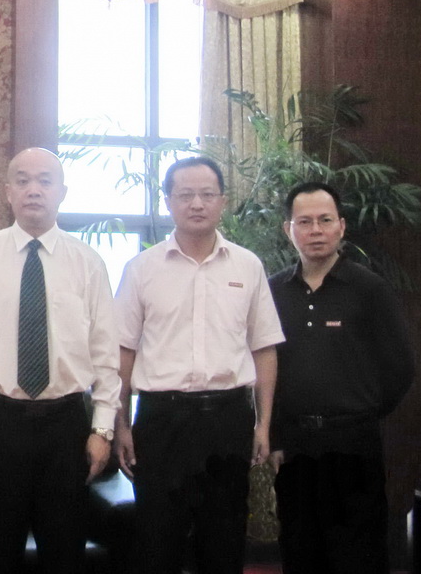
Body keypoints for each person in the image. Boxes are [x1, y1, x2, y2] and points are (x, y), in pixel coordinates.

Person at [0, 147, 120, 574]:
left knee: (64, 551)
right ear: (8, 192)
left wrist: (102, 428)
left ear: (62, 192)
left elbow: (106, 356)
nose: (33, 190)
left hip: (66, 425)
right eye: (22, 181)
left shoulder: (88, 263)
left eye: (44, 181)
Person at [112, 156, 285, 574]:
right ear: (168, 201)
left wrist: (263, 425)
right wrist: (120, 425)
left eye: (207, 194)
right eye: (185, 194)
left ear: (222, 201)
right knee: (157, 542)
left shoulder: (247, 265)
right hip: (161, 421)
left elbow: (264, 348)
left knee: (223, 542)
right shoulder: (142, 269)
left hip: (228, 419)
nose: (197, 203)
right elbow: (122, 353)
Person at [267, 182, 413, 574]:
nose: (315, 230)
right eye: (305, 222)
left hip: (354, 443)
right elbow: (264, 369)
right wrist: (276, 435)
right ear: (288, 229)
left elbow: (401, 367)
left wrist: (362, 411)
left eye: (325, 220)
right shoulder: (273, 291)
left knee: (359, 553)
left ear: (342, 226)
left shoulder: (370, 289)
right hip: (295, 446)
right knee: (300, 549)